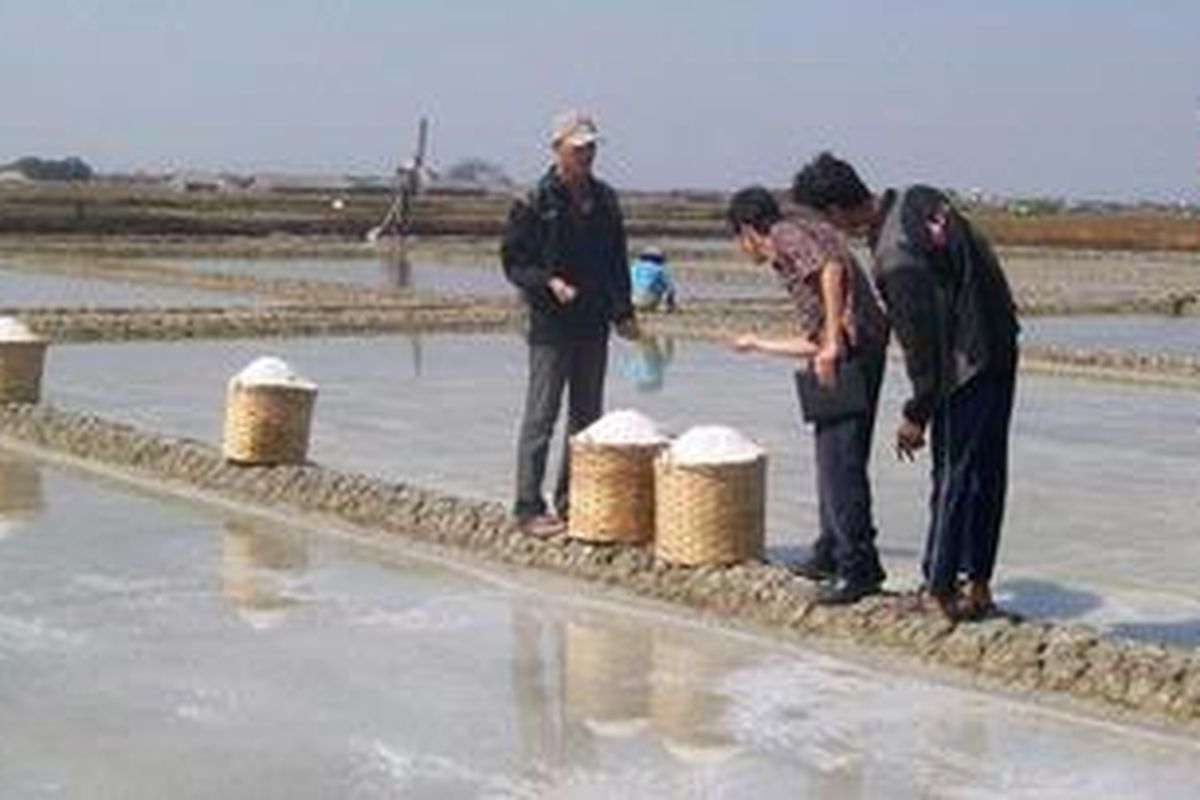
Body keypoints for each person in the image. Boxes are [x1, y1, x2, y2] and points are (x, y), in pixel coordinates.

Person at [793, 152, 1020, 620]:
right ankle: (977, 586)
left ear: (836, 211)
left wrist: (917, 411)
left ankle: (938, 590)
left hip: (966, 362)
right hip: (1000, 344)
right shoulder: (919, 197)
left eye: (823, 220)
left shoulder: (895, 254)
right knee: (987, 472)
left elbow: (924, 343)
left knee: (953, 476)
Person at [726, 187, 890, 605]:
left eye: (738, 241)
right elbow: (811, 338)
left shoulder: (784, 235)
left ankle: (859, 568)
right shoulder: (798, 234)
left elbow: (832, 269)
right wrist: (758, 343)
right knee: (830, 455)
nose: (742, 250)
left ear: (748, 231)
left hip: (852, 350)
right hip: (851, 347)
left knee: (841, 462)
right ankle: (831, 550)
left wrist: (833, 342)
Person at [501, 111, 639, 537]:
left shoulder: (605, 200)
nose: (587, 155)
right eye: (579, 148)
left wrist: (623, 311)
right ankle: (527, 506)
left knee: (587, 418)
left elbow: (616, 260)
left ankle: (572, 501)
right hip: (549, 323)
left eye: (591, 147)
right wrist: (549, 282)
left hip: (592, 320)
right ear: (557, 148)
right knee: (541, 416)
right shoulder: (534, 201)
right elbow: (514, 263)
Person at [630, 246, 677, 312]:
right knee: (665, 285)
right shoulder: (660, 270)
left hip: (632, 300)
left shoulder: (634, 267)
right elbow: (670, 288)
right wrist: (671, 303)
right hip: (649, 301)